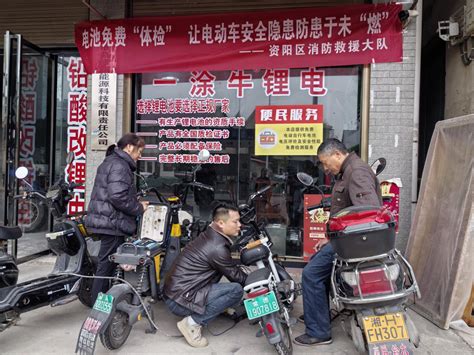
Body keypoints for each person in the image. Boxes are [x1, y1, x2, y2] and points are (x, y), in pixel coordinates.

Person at [294, 138, 383, 346]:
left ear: (337, 154)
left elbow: (368, 214)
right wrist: (328, 238)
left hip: (352, 242)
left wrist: (340, 241)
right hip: (345, 239)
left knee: (311, 274)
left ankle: (318, 331)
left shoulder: (356, 172)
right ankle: (318, 314)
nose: (326, 168)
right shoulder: (348, 171)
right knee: (316, 264)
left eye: (326, 163)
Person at [163, 203, 247, 348]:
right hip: (180, 300)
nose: (240, 225)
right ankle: (191, 324)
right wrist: (260, 282)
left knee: (224, 278)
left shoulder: (211, 235)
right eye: (235, 221)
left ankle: (216, 306)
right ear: (221, 223)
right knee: (236, 290)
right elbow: (237, 277)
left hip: (177, 293)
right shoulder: (217, 248)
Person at [85, 133, 149, 302]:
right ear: (129, 147)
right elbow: (118, 197)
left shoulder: (111, 161)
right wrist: (138, 207)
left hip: (108, 220)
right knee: (106, 266)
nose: (139, 156)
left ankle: (104, 302)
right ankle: (98, 305)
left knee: (108, 265)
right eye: (139, 151)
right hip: (111, 223)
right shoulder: (120, 165)